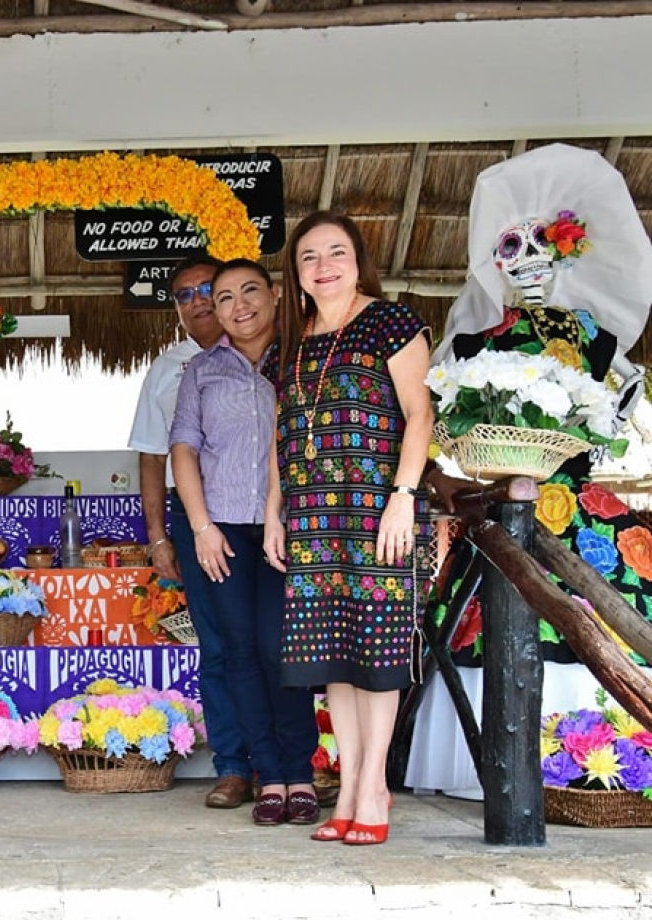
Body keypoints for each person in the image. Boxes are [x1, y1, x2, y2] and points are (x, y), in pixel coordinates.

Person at [407, 143, 652, 799]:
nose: (531, 263)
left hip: (575, 502)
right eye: (514, 250)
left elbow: (630, 390)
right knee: (489, 610)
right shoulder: (477, 339)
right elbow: (429, 409)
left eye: (545, 248)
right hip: (497, 502)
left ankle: (604, 762)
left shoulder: (588, 333)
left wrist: (611, 406)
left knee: (609, 605)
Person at [263, 211, 433, 847]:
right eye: (309, 256)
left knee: (377, 650)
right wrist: (274, 508)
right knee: (332, 653)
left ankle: (372, 785)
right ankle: (352, 776)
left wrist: (404, 497)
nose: (324, 265)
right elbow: (283, 433)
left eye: (337, 252)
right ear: (295, 273)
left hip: (375, 511)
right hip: (312, 515)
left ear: (358, 259)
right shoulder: (291, 339)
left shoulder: (392, 322)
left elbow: (420, 415)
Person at [170, 259, 319, 826]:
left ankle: (299, 771)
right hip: (225, 529)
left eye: (249, 291)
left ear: (275, 295)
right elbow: (183, 449)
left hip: (292, 528)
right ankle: (269, 777)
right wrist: (202, 526)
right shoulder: (201, 372)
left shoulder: (305, 360)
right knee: (239, 653)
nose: (238, 305)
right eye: (224, 296)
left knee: (282, 649)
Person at [127, 256, 252, 809]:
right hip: (196, 521)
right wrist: (160, 537)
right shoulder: (169, 368)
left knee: (276, 642)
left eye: (209, 289)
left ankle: (291, 764)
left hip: (264, 515)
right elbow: (153, 458)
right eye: (184, 295)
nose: (199, 301)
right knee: (219, 645)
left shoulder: (270, 352)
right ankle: (232, 766)